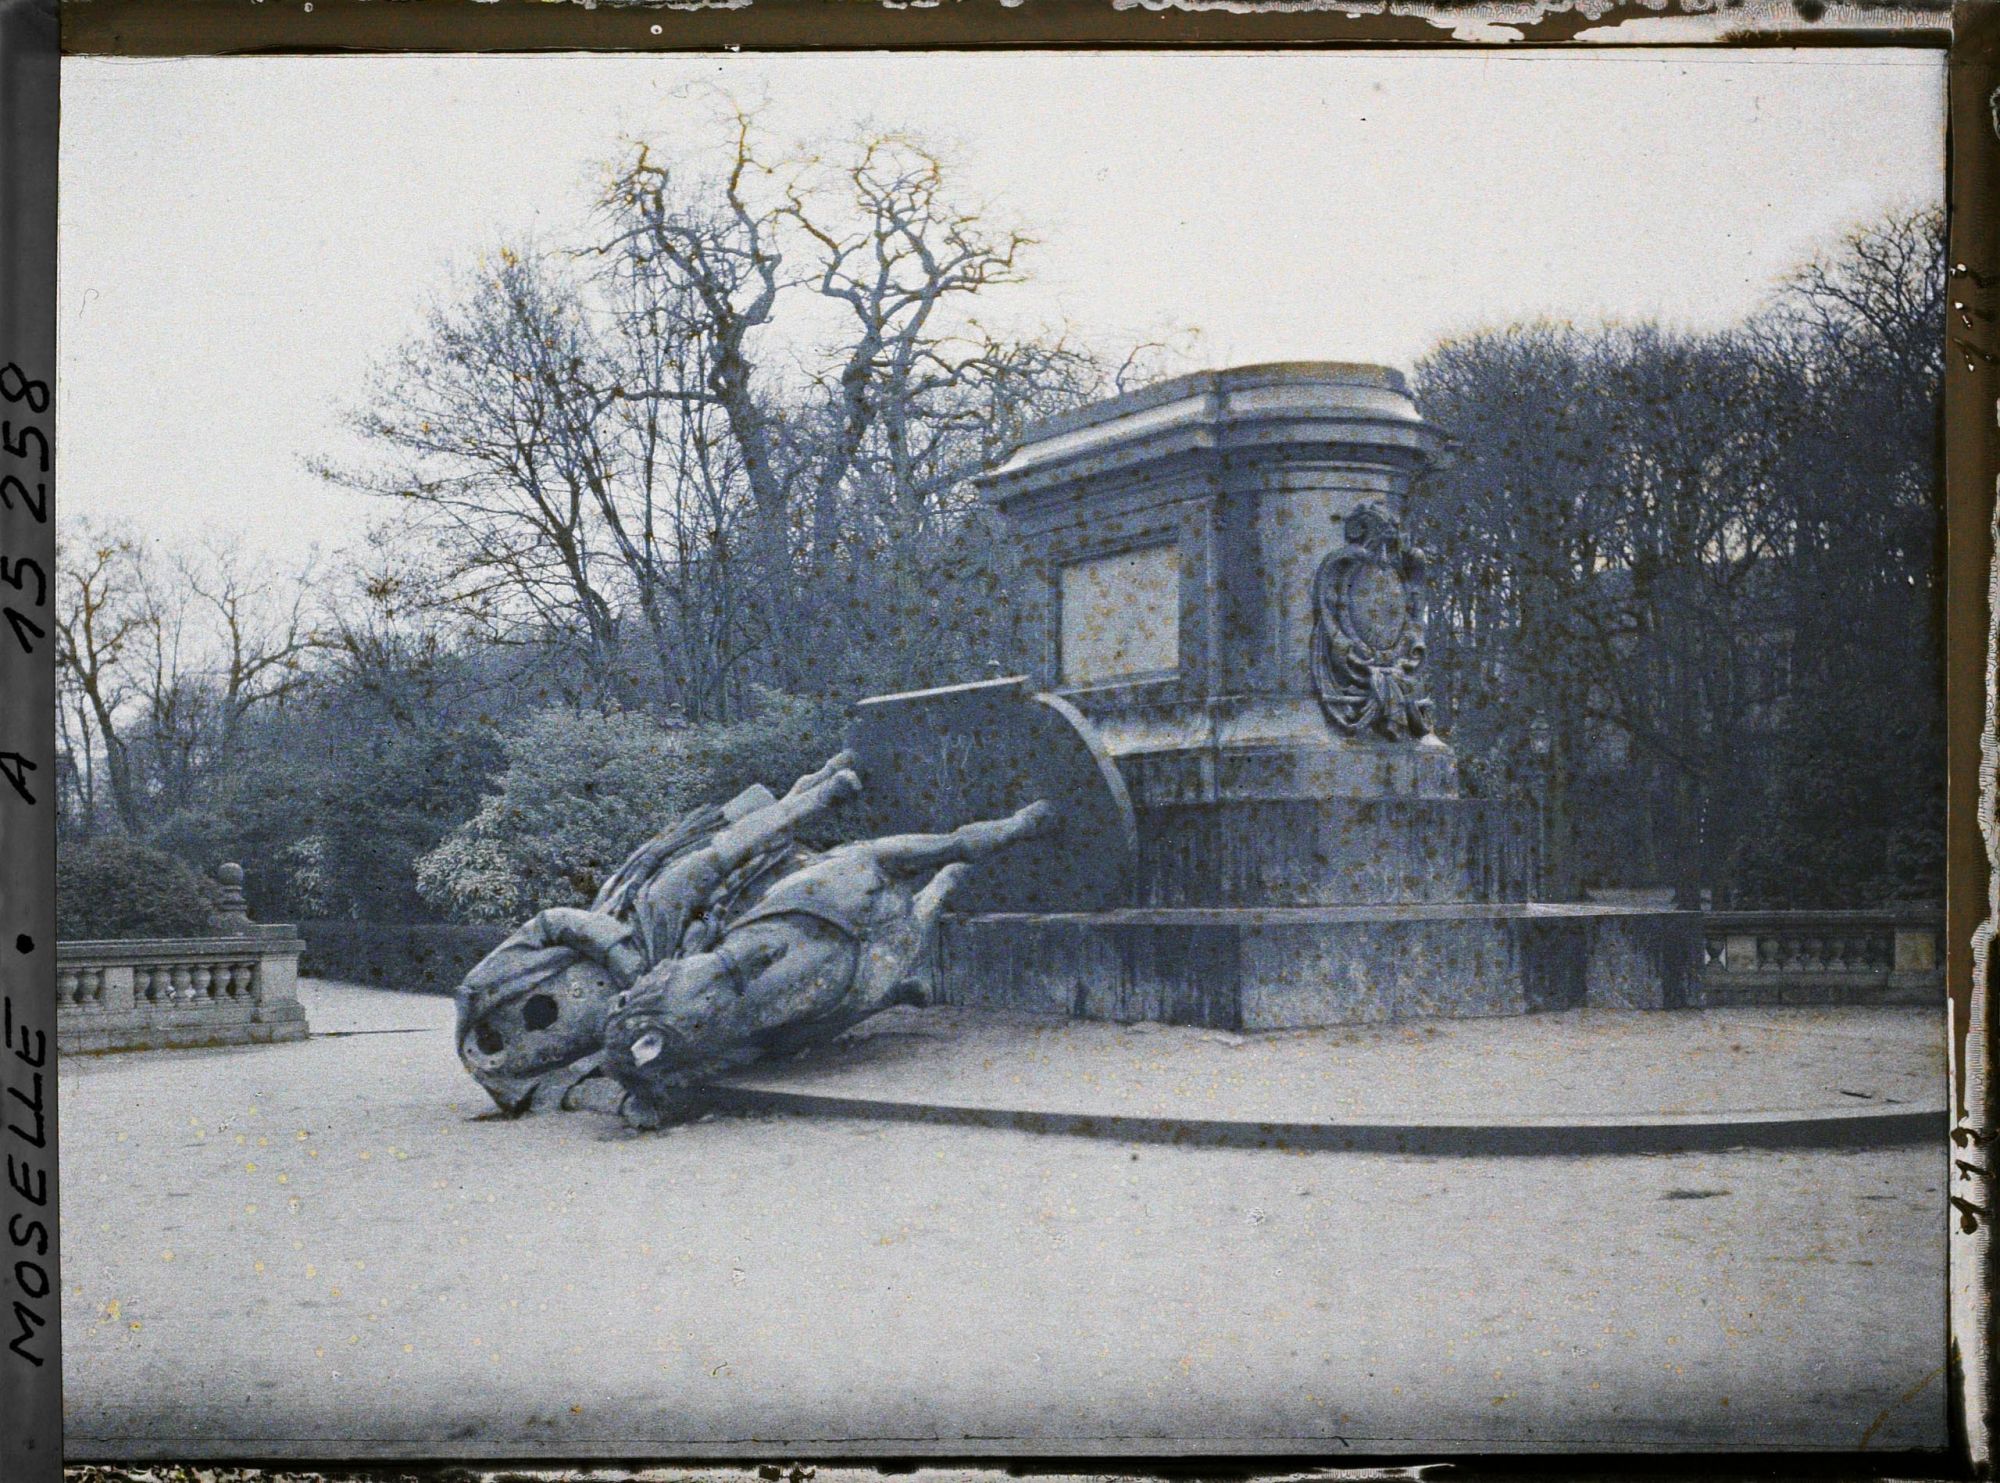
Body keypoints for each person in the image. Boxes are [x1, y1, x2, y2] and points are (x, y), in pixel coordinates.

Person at [601, 799, 1055, 1126]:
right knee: (947, 858)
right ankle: (1019, 827)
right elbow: (732, 956)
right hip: (831, 897)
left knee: (944, 878)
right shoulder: (680, 996)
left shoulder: (703, 1028)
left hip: (845, 944)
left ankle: (1002, 840)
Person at [454, 754, 860, 1115]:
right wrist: (628, 1103)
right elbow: (574, 1093)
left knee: (692, 873)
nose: (498, 1045)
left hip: (632, 931)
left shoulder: (483, 987)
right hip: (657, 991)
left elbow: (550, 922)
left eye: (489, 1039)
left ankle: (812, 798)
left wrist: (618, 954)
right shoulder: (515, 1085)